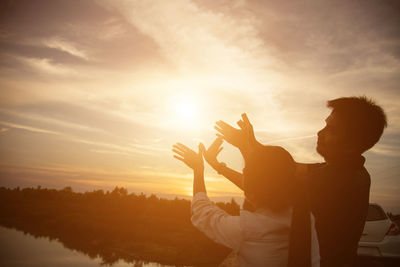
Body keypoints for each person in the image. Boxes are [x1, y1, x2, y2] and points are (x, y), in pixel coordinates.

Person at [209, 96, 387, 267]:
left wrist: (224, 162)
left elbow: (261, 186)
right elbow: (286, 166)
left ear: (352, 144)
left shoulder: (335, 181)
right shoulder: (347, 170)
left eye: (331, 130)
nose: (320, 132)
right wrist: (250, 143)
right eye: (325, 125)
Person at [172, 142, 320, 267]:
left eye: (245, 173)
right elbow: (268, 180)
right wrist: (218, 165)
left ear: (251, 187)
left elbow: (202, 212)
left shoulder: (249, 228)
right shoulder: (306, 217)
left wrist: (198, 170)